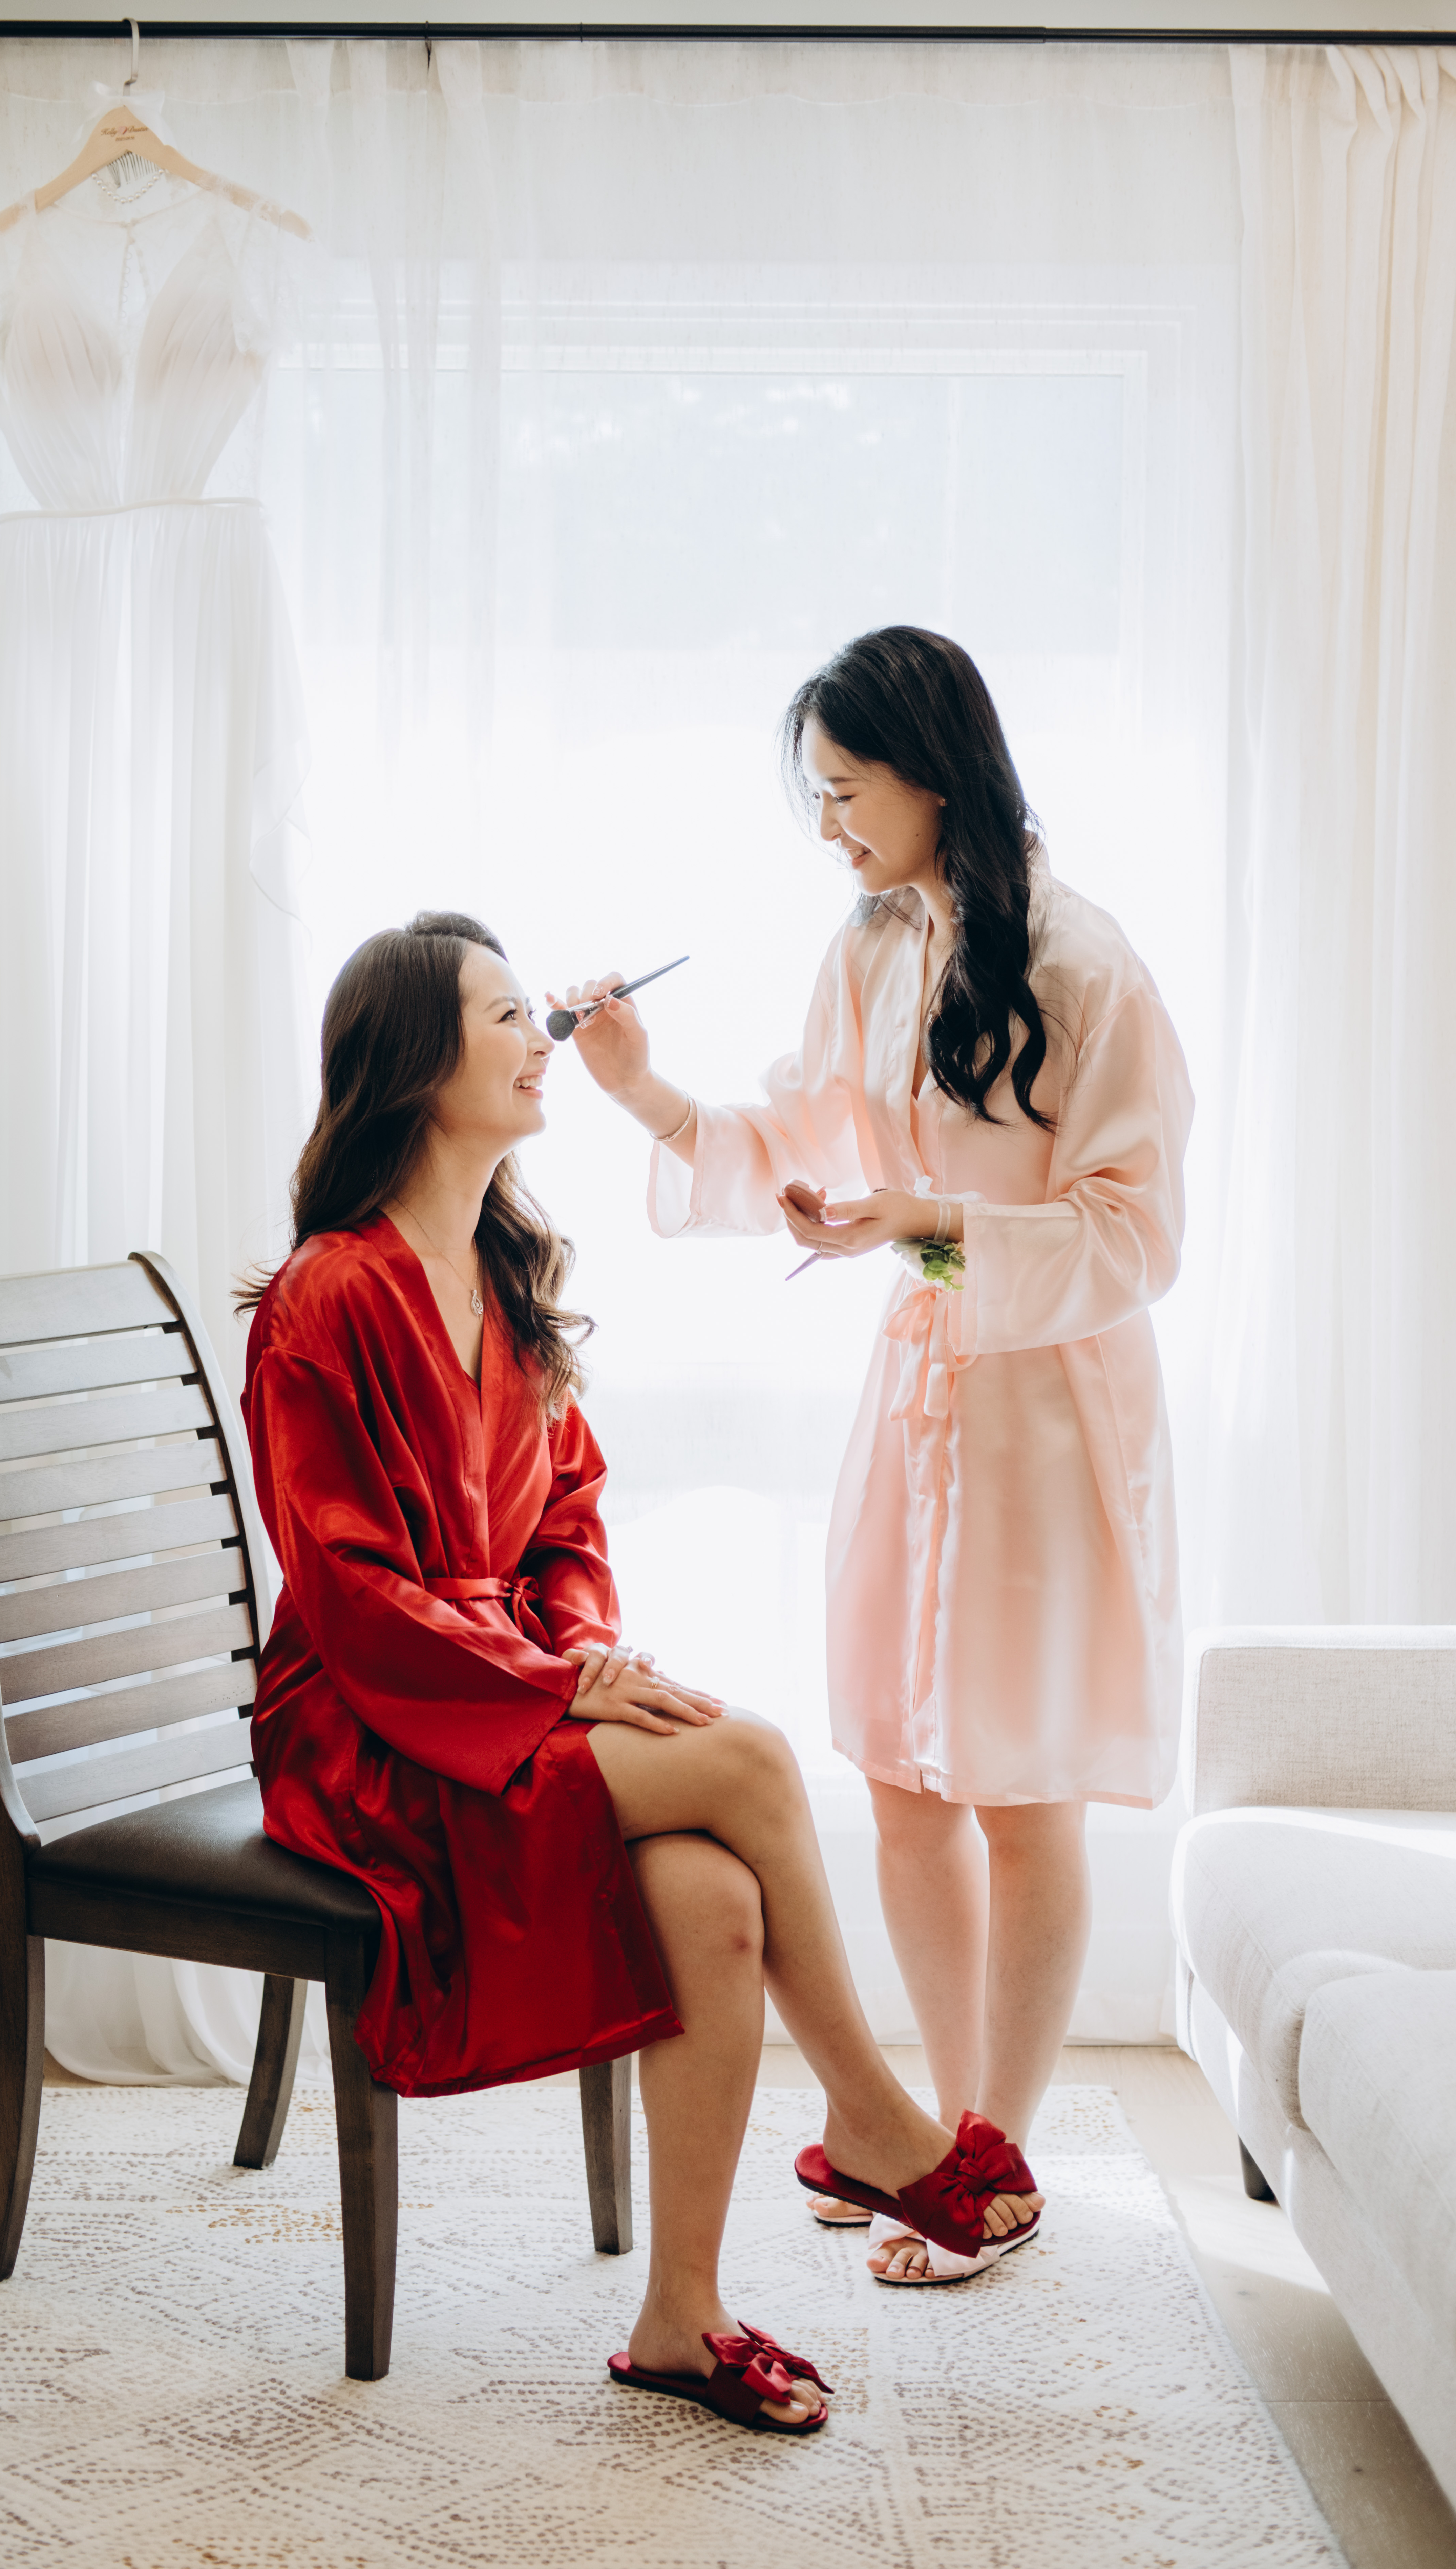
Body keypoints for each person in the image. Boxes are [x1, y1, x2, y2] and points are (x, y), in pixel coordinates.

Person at [238, 907, 1042, 2428]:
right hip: (370, 1732)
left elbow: (567, 1515)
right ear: (414, 1067)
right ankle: (872, 2119)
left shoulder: (501, 1268)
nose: (539, 1040)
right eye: (504, 1019)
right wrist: (555, 1685)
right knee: (749, 1757)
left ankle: (682, 2318)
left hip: (498, 1686)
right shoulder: (328, 1297)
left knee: (712, 1898)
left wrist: (579, 1651)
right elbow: (348, 1593)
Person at [561, 628, 1193, 2284]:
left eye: (848, 791)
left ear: (933, 774)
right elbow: (787, 1134)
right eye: (818, 796)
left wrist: (933, 1221)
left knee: (1021, 1789)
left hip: (1047, 1412)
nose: (829, 825)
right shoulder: (869, 946)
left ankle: (1000, 2158)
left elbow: (1137, 1235)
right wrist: (640, 1091)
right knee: (907, 1783)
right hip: (920, 1391)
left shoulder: (1087, 964)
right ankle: (924, 2144)